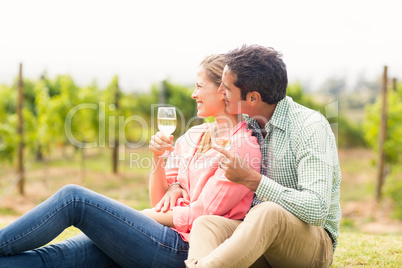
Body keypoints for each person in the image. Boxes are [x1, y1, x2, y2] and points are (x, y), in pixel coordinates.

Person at [0, 54, 261, 268]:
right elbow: (158, 201)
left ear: (223, 90)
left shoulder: (242, 147)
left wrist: (142, 217)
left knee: (74, 199)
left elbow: (200, 215)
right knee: (52, 258)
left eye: (199, 86)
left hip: (183, 249)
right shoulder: (196, 134)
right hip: (155, 238)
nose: (193, 94)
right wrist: (159, 160)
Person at [170, 45, 340, 268]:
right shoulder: (248, 124)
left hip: (309, 246)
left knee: (269, 212)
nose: (221, 91)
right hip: (258, 238)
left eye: (227, 87)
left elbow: (316, 209)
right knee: (206, 224)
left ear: (253, 97)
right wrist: (175, 184)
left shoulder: (309, 127)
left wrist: (252, 179)